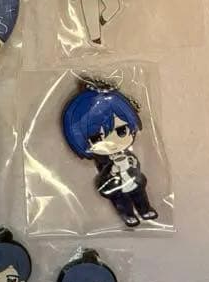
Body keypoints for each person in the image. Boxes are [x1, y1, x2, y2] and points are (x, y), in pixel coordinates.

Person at [62, 86, 158, 228]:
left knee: (140, 195)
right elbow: (103, 176)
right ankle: (128, 215)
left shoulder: (127, 154)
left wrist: (133, 163)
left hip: (133, 181)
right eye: (96, 138)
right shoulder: (102, 160)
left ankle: (144, 210)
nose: (111, 143)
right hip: (116, 187)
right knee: (122, 202)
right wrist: (112, 172)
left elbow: (135, 165)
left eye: (121, 131)